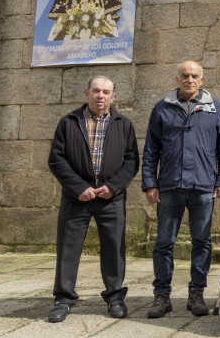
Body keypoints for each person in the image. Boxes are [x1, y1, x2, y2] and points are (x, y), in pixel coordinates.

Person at [142, 61, 220, 318]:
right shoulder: (162, 108)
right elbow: (151, 150)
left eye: (194, 75)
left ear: (202, 79)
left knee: (202, 242)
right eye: (185, 75)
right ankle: (161, 296)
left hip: (203, 187)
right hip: (170, 186)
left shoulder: (215, 109)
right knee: (163, 243)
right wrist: (150, 183)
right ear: (177, 78)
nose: (189, 79)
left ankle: (197, 294)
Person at [47, 75, 139, 322]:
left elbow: (131, 161)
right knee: (68, 249)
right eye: (96, 91)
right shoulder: (68, 122)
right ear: (86, 93)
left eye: (106, 92)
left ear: (113, 97)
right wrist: (78, 187)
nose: (101, 96)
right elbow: (57, 159)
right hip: (76, 198)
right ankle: (63, 299)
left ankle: (115, 297)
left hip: (111, 198)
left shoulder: (124, 124)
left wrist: (113, 186)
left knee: (114, 248)